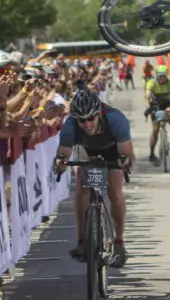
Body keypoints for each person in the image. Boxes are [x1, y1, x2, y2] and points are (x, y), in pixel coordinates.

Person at [54, 90, 137, 268]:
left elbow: (129, 155)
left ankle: (119, 242)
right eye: (82, 120)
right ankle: (82, 240)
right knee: (81, 190)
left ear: (99, 113)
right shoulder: (70, 126)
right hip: (85, 151)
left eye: (91, 118)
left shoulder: (116, 119)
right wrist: (60, 163)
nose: (87, 124)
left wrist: (126, 163)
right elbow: (63, 153)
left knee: (115, 192)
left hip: (113, 151)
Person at [144, 64, 170, 164]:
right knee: (155, 130)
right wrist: (148, 108)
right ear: (156, 76)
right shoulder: (151, 82)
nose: (162, 78)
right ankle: (151, 153)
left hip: (167, 103)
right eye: (160, 76)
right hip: (155, 104)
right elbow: (148, 96)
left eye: (164, 76)